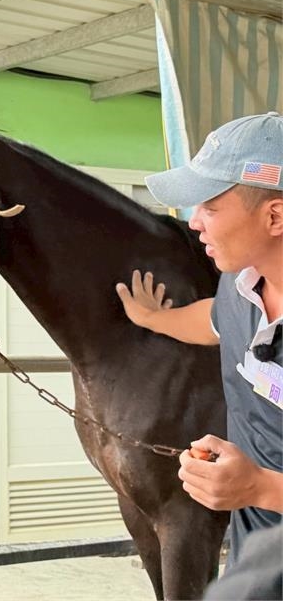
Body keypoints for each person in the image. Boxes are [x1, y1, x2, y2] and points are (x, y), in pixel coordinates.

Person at [115, 111, 283, 572]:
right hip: (257, 564)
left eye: (209, 206)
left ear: (275, 215)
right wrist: (153, 317)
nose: (194, 223)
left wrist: (260, 489)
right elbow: (212, 322)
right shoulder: (241, 287)